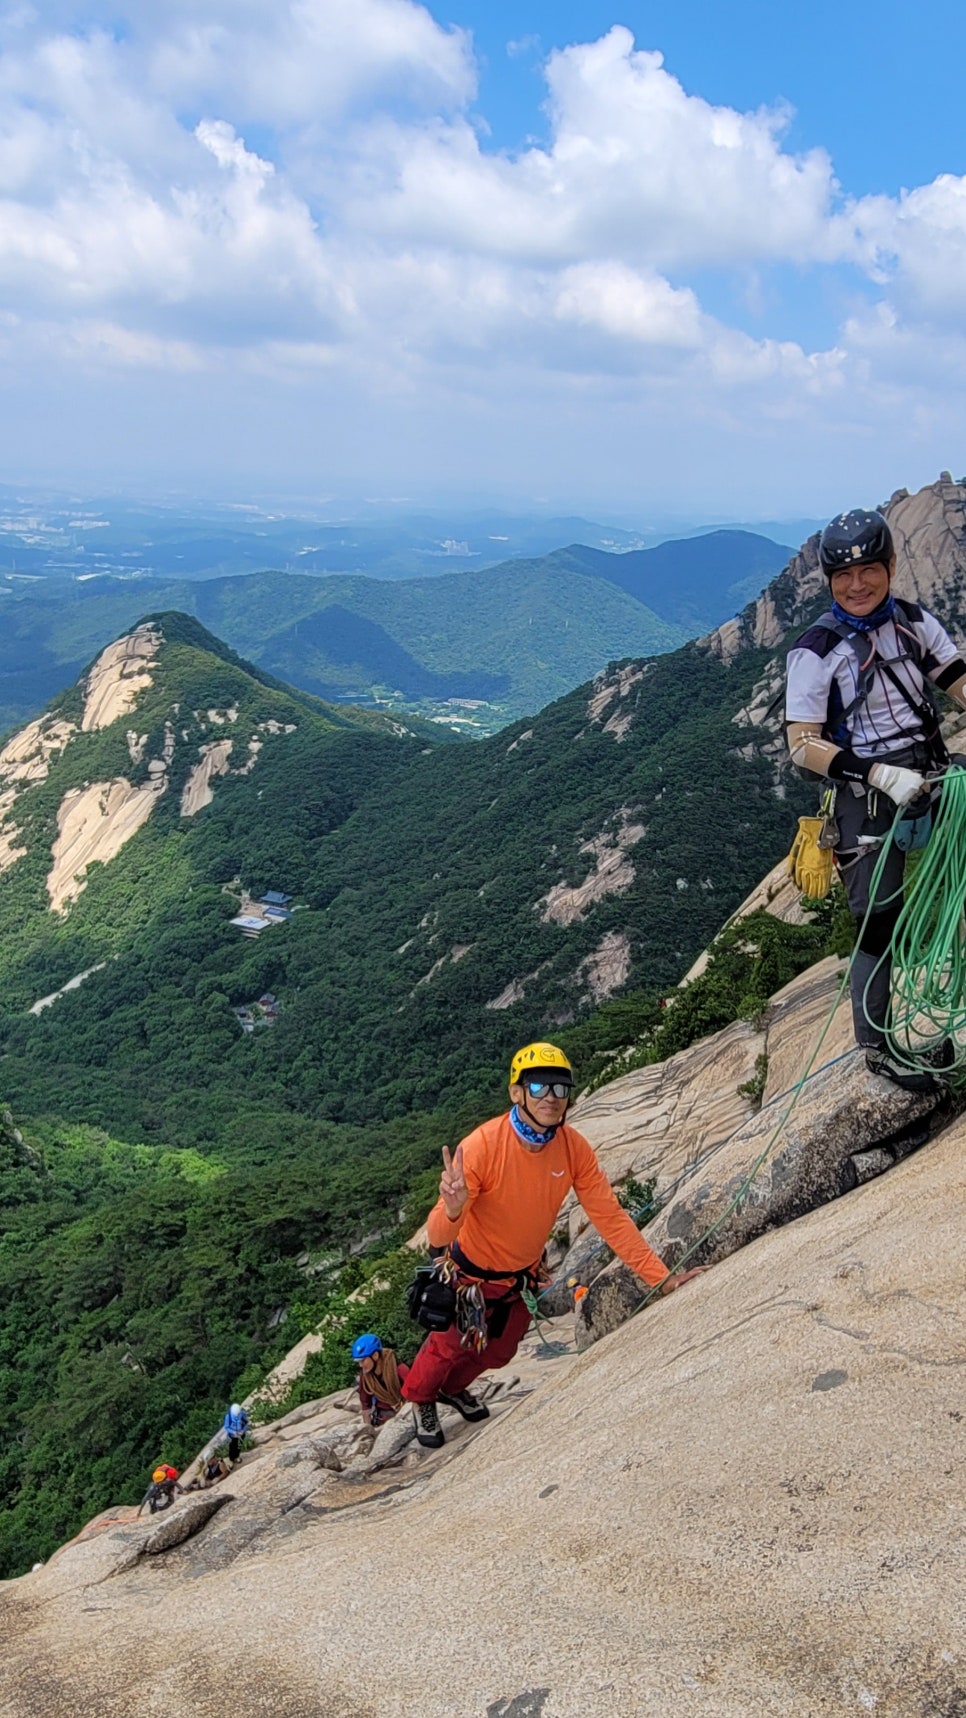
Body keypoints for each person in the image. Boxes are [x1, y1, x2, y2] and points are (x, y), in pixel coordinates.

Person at [401, 1041, 704, 1449]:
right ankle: (420, 1398)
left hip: (518, 1278)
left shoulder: (572, 1148)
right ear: (516, 1092)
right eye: (539, 1087)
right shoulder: (483, 1146)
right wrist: (453, 1209)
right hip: (469, 1276)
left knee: (498, 1353)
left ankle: (450, 1389)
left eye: (560, 1088)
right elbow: (438, 1237)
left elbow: (610, 1218)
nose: (551, 1098)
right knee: (446, 1346)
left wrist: (662, 1279)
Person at [785, 507, 966, 1090]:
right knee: (880, 921)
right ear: (829, 582)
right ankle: (880, 1047)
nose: (857, 585)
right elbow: (802, 747)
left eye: (868, 570)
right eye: (843, 576)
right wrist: (879, 774)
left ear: (890, 566)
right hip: (866, 793)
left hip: (936, 776)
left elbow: (957, 679)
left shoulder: (914, 622)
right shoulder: (816, 649)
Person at [351, 1333, 410, 1427]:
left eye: (363, 1360)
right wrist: (367, 1429)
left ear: (375, 1355)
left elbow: (413, 1393)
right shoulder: (365, 1376)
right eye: (359, 1362)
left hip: (404, 1408)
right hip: (383, 1414)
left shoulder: (399, 1369)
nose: (360, 1365)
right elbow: (365, 1404)